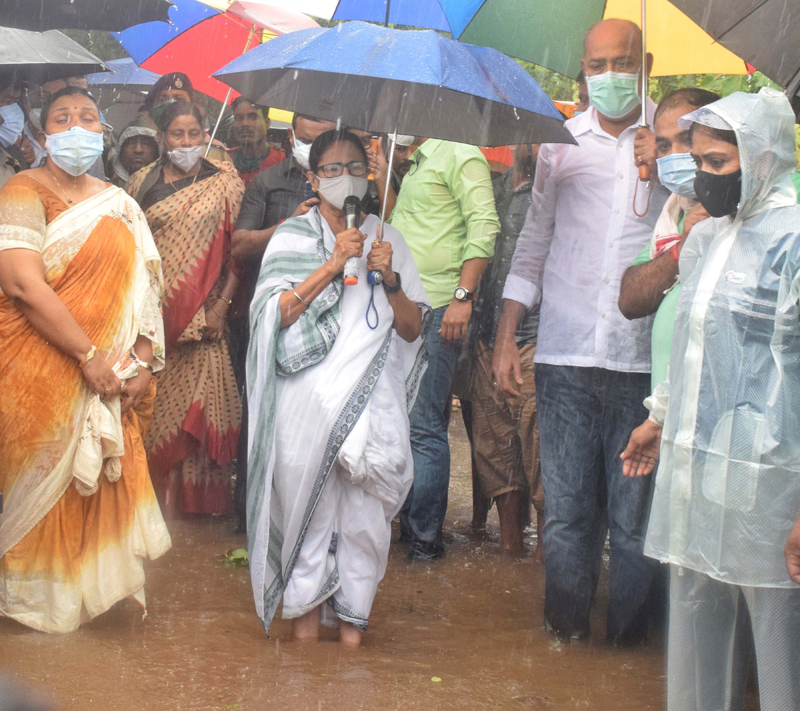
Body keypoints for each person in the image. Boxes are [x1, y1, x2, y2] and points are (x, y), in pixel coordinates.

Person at [621, 88, 800, 711]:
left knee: (779, 637)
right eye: (698, 162)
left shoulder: (793, 240)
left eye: (717, 163)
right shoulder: (708, 237)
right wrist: (659, 417)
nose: (703, 177)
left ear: (764, 156)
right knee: (695, 619)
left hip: (774, 478)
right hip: (698, 463)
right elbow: (695, 348)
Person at [494, 19, 669, 644]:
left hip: (642, 363)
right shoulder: (558, 140)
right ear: (583, 70)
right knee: (566, 517)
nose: (609, 77)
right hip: (564, 355)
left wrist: (668, 169)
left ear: (644, 63)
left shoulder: (675, 138)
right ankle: (563, 643)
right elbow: (534, 239)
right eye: (597, 66)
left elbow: (704, 225)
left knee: (632, 523)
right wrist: (507, 333)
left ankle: (624, 648)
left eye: (621, 64)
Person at [246, 130, 429, 646]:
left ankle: (351, 655)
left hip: (374, 404)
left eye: (354, 166)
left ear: (370, 175)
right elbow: (271, 317)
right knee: (309, 527)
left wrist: (389, 279)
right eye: (331, 169)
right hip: (306, 406)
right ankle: (306, 661)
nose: (344, 177)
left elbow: (413, 329)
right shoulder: (292, 237)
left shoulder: (388, 239)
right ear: (312, 177)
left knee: (364, 529)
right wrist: (331, 265)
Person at [0, 86, 170, 633]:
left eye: (88, 117)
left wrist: (141, 363)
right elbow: (22, 284)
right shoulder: (21, 191)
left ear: (104, 133)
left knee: (99, 481)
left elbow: (145, 290)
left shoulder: (121, 204)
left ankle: (96, 598)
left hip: (111, 379)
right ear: (44, 134)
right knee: (37, 481)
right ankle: (33, 609)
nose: (76, 127)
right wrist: (87, 355)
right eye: (62, 118)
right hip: (36, 373)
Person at [127, 101, 244, 516]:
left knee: (201, 409)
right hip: (153, 317)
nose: (187, 143)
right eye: (178, 135)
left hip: (206, 319)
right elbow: (130, 250)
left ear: (205, 134)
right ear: (162, 138)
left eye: (195, 134)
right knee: (154, 411)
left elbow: (237, 251)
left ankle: (199, 510)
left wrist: (222, 304)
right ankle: (153, 506)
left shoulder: (224, 182)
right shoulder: (141, 183)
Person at [388, 137, 499, 561]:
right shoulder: (416, 160)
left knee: (424, 424)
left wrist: (462, 296)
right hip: (405, 304)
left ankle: (424, 541)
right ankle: (407, 528)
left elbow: (484, 224)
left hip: (438, 305)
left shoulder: (460, 152)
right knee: (401, 419)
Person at [229, 113, 335, 527]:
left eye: (321, 140)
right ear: (291, 137)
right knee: (258, 406)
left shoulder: (350, 187)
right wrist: (287, 227)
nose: (312, 147)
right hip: (268, 314)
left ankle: (308, 513)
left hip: (327, 318)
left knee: (314, 411)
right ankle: (250, 511)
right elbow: (239, 244)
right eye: (306, 139)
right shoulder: (267, 182)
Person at [469, 143, 543, 556]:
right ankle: (511, 557)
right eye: (526, 137)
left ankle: (547, 571)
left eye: (540, 139)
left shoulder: (553, 195)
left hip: (536, 339)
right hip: (485, 336)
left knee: (542, 463)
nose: (531, 146)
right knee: (497, 457)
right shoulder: (491, 190)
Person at [618, 89, 719, 385]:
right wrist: (682, 248)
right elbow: (630, 300)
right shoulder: (676, 212)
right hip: (669, 413)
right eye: (663, 145)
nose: (675, 154)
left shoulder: (782, 196)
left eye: (687, 140)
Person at [143, 73, 231, 164]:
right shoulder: (140, 146)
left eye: (179, 100)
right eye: (162, 100)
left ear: (191, 105)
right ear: (153, 106)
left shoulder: (214, 151)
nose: (170, 104)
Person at [227, 97, 284, 187]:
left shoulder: (282, 160)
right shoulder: (224, 159)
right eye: (239, 118)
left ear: (267, 123)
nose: (245, 123)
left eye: (253, 117)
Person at [111, 116, 160, 188]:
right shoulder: (107, 190)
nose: (138, 150)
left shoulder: (167, 189)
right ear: (120, 151)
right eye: (131, 143)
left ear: (157, 150)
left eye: (146, 143)